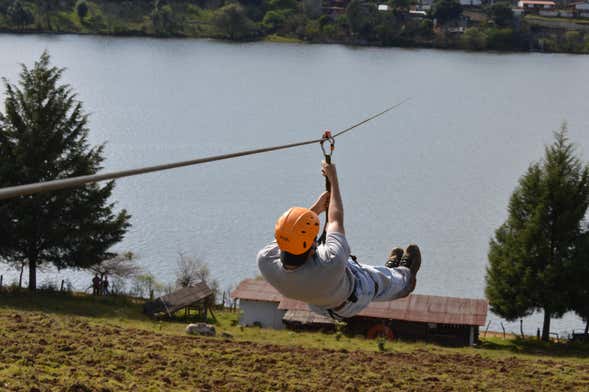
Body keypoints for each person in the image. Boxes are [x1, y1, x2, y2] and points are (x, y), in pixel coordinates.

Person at [257, 161, 421, 320]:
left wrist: (315, 210)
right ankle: (405, 277)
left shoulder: (266, 259)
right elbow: (335, 219)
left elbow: (292, 230)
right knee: (376, 282)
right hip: (351, 299)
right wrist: (333, 178)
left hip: (320, 299)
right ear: (312, 248)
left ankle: (388, 271)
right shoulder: (330, 262)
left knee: (348, 263)